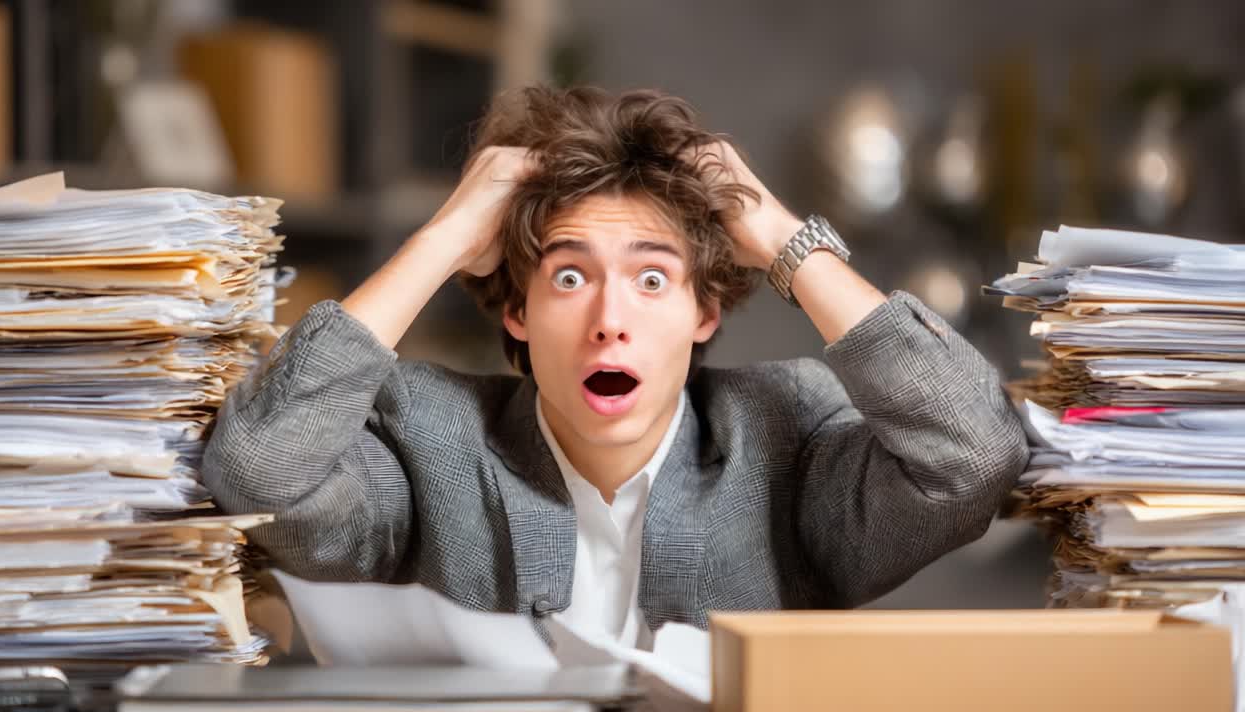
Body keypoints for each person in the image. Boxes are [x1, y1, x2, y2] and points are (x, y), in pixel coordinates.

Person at [202, 86, 1030, 649]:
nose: (609, 321)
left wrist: (780, 235)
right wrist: (443, 240)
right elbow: (257, 470)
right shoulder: (428, 439)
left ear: (704, 312)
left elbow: (971, 455)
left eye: (652, 279)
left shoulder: (785, 439)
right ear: (517, 311)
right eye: (569, 276)